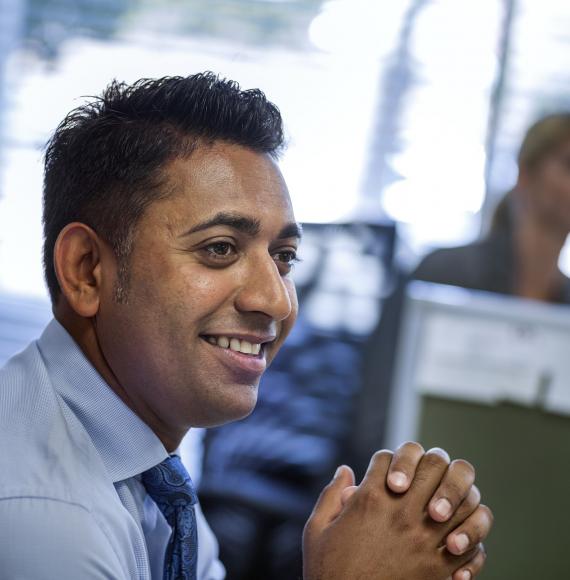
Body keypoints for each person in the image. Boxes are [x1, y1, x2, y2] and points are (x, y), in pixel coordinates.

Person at [0, 73, 492, 579]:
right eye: (219, 249)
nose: (276, 301)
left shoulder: (144, 469)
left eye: (284, 258)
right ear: (87, 271)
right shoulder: (49, 522)